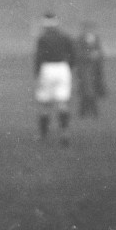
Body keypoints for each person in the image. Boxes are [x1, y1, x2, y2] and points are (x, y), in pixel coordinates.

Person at [34, 11, 76, 144]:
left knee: (45, 103)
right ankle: (64, 132)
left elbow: (38, 57)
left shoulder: (42, 38)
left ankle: (43, 135)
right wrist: (68, 67)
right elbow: (73, 54)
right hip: (63, 68)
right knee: (62, 102)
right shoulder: (65, 36)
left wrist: (37, 73)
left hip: (47, 68)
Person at [74, 21, 107, 117]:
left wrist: (98, 56)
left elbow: (100, 53)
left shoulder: (96, 39)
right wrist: (89, 56)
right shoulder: (79, 40)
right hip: (84, 68)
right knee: (87, 89)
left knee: (91, 89)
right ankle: (91, 112)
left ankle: (84, 112)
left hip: (95, 69)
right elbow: (77, 54)